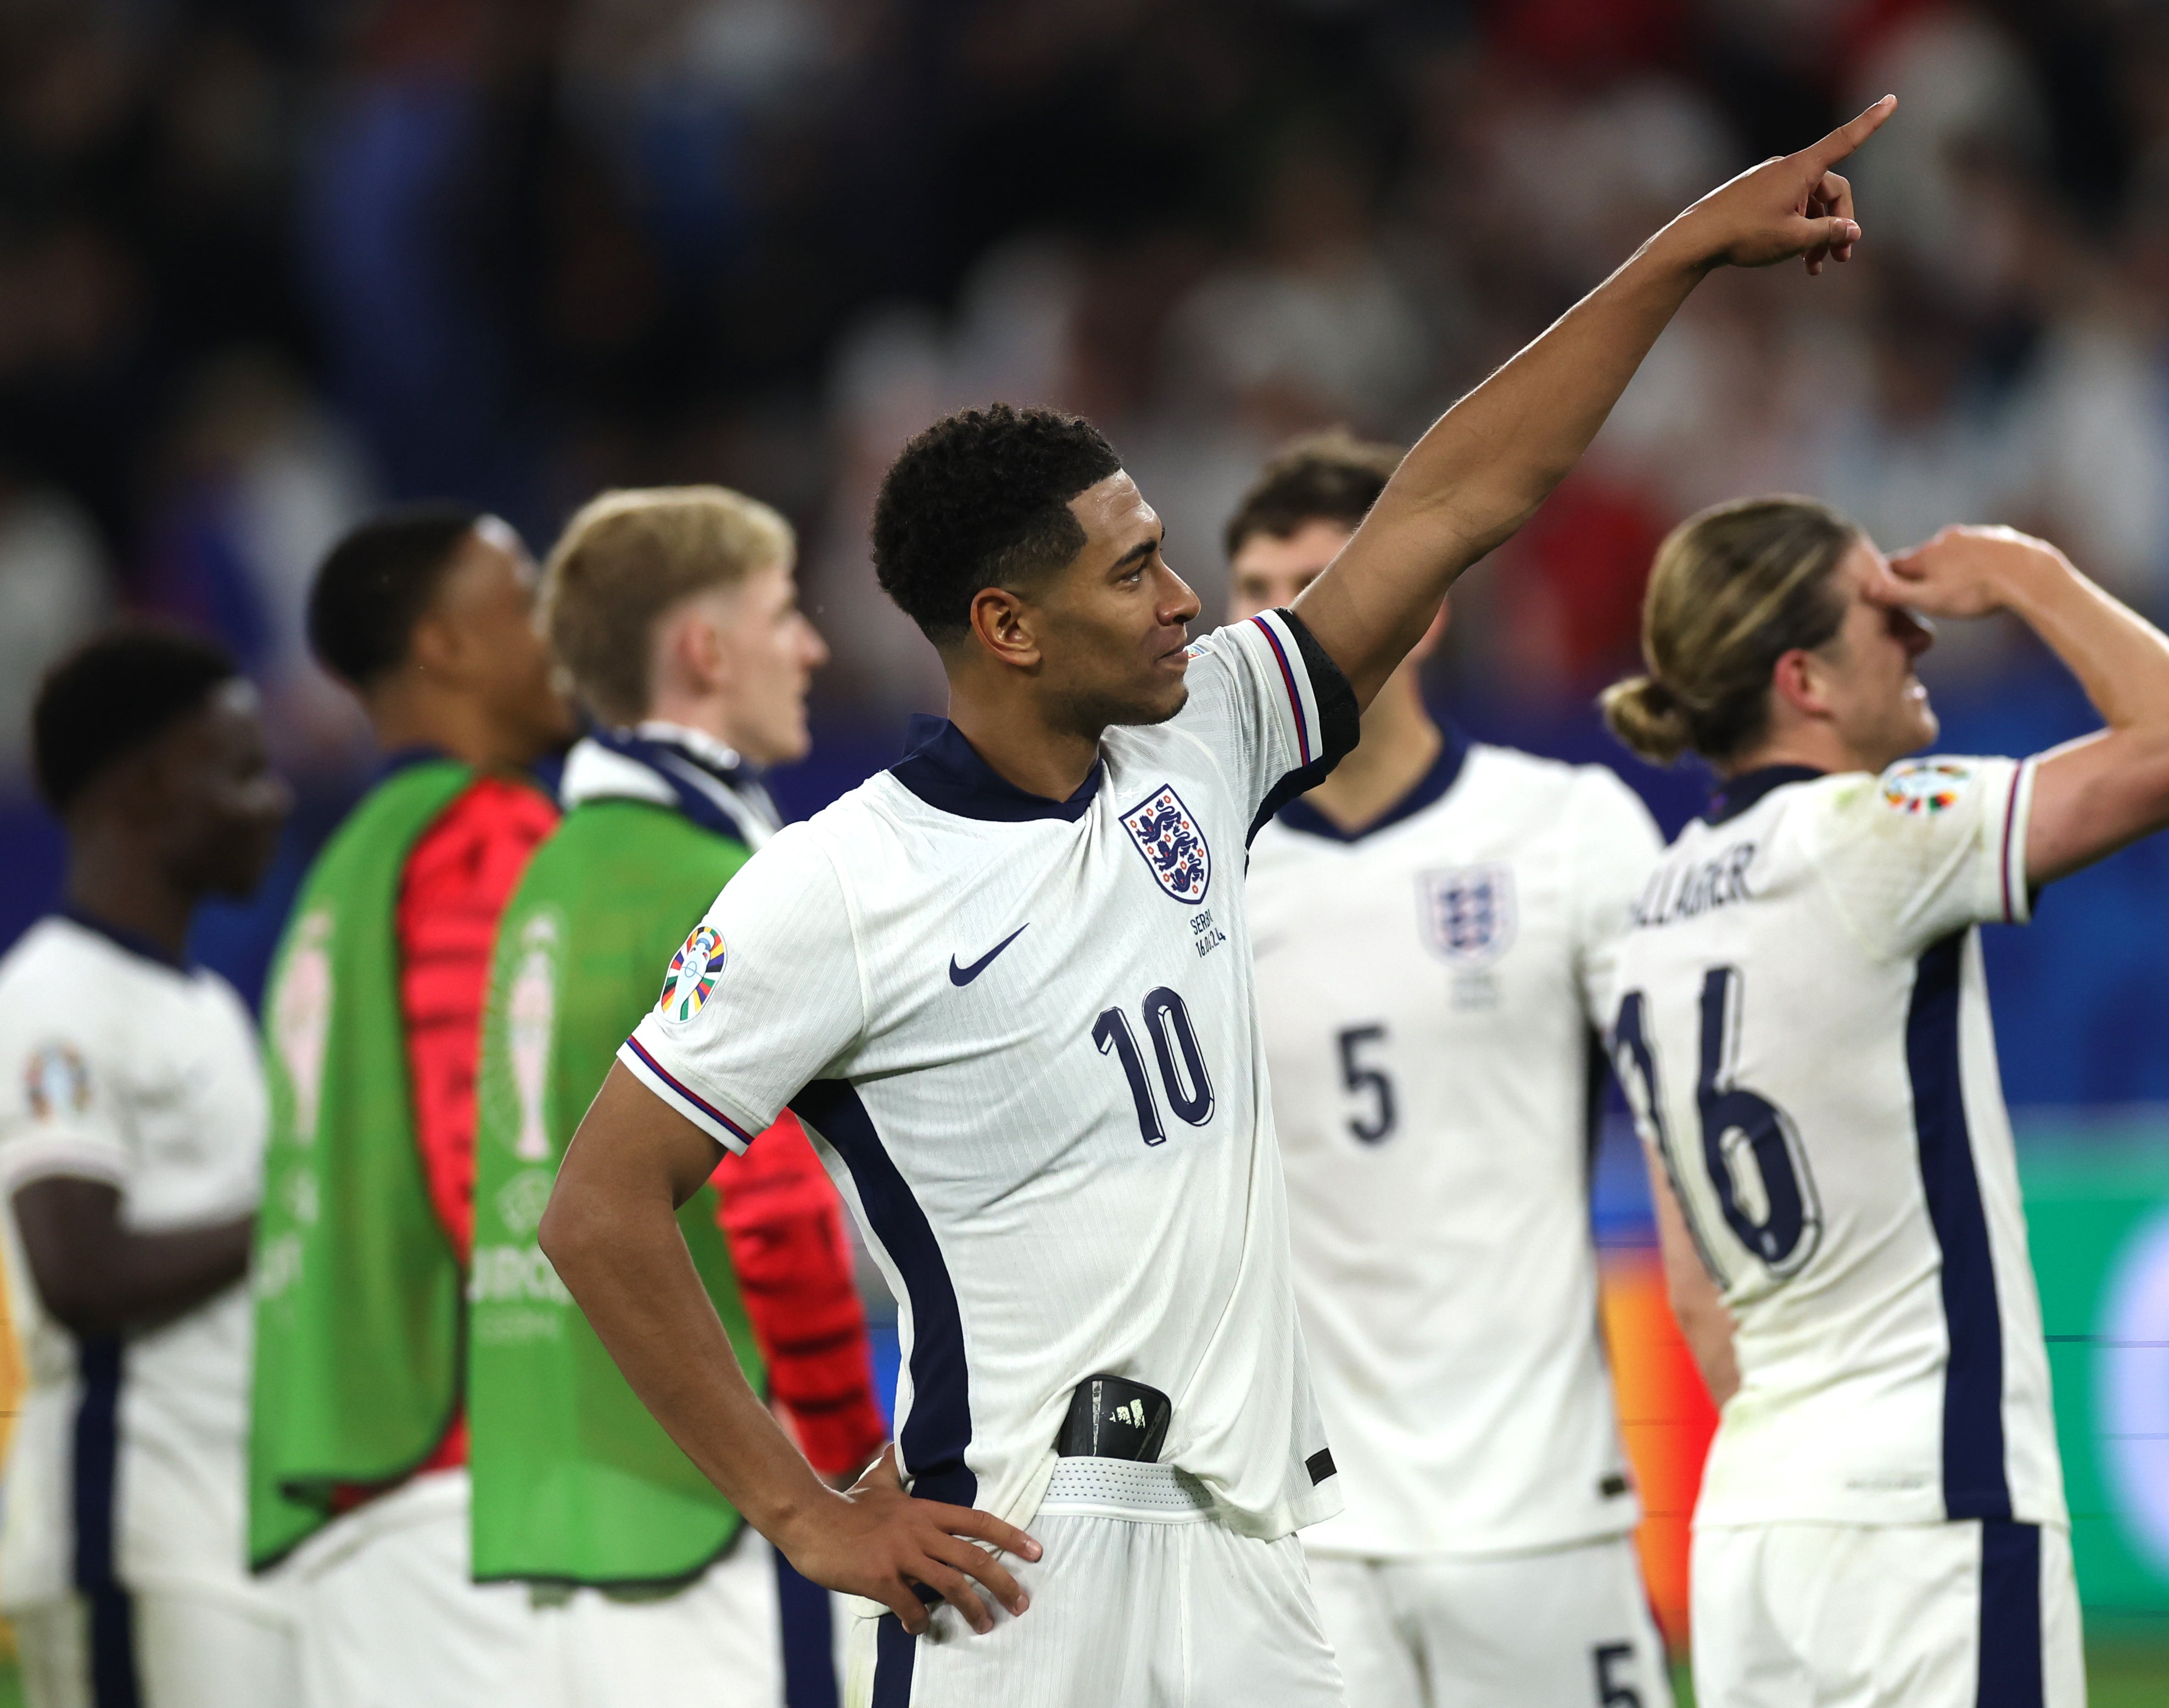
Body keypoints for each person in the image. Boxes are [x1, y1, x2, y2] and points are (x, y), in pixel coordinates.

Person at [538, 96, 1898, 1708]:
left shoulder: (1201, 741)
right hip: (1023, 1565)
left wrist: (1676, 256)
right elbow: (601, 1206)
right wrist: (802, 1511)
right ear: (1009, 626)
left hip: (1256, 1552)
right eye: (1131, 571)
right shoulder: (835, 885)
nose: (1186, 600)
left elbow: (1456, 501)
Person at [1594, 503, 2169, 1708]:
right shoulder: (1871, 835)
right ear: (1800, 677)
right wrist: (2029, 572)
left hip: (1751, 1531)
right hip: (1928, 1516)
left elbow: (1693, 1294)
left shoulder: (1644, 917)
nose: (1918, 634)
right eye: (1879, 608)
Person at [1228, 433, 1674, 1708]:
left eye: (1320, 581)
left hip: (1537, 1505)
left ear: (1419, 605)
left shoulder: (1569, 828)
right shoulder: (1192, 883)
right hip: (1298, 1532)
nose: (1288, 623)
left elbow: (1686, 1132)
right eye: (1257, 592)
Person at [467, 486, 886, 1706]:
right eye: (780, 613)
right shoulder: (718, 882)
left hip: (548, 1501)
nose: (809, 645)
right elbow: (778, 1224)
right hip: (704, 1522)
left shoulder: (548, 870)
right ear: (704, 651)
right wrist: (852, 1483)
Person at [248, 506, 578, 1708]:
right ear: (443, 644)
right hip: (476, 1482)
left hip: (351, 1475)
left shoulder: (345, 867)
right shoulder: (490, 835)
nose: (559, 631)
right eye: (526, 601)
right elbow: (491, 1161)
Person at [0, 628, 296, 1708]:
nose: (274, 800)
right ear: (147, 788)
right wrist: (299, 1210)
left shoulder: (201, 1004)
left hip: (223, 1534)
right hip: (129, 1534)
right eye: (240, 769)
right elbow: (79, 1269)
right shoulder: (51, 997)